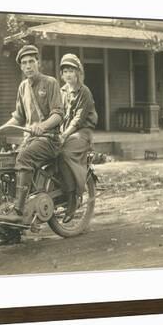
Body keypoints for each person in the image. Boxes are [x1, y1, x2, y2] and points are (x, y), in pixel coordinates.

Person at [0, 45, 64, 235]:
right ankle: (13, 228)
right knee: (9, 163)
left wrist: (42, 126)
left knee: (24, 158)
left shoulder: (50, 83)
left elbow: (58, 114)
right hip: (31, 140)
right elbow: (18, 116)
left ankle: (18, 211)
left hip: (50, 139)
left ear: (38, 63)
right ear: (21, 67)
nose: (28, 66)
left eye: (31, 62)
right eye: (24, 63)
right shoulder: (23, 87)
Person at [57, 53, 98, 223]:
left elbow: (78, 119)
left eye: (71, 71)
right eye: (65, 71)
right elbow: (57, 113)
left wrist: (64, 135)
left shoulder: (84, 92)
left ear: (78, 73)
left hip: (82, 132)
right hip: (67, 131)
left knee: (64, 153)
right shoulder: (62, 91)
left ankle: (73, 197)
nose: (68, 74)